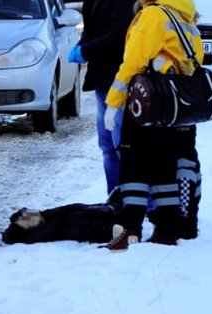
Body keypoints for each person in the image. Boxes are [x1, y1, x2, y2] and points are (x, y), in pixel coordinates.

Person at [103, 0, 203, 251]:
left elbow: (133, 62)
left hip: (146, 104)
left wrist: (114, 103)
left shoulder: (152, 15)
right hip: (172, 109)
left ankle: (129, 230)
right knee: (164, 168)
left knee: (133, 167)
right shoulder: (185, 17)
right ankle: (167, 230)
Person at [67, 0, 136, 197]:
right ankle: (114, 197)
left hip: (121, 82)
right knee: (108, 146)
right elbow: (91, 29)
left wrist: (86, 51)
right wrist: (81, 45)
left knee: (123, 146)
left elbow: (120, 34)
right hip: (102, 81)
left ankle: (135, 202)